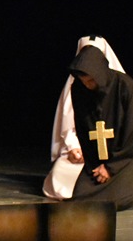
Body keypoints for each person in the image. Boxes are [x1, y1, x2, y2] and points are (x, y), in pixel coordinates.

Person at [65, 45, 133, 210]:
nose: (87, 85)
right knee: (80, 198)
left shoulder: (126, 86)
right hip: (98, 160)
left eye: (91, 81)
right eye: (84, 82)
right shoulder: (79, 90)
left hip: (127, 157)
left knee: (114, 200)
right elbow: (83, 129)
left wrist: (111, 167)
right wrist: (96, 165)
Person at [45, 35, 126, 200]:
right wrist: (74, 147)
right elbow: (69, 122)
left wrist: (113, 160)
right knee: (63, 175)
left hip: (113, 156)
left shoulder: (122, 86)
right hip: (85, 153)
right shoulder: (76, 86)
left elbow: (128, 129)